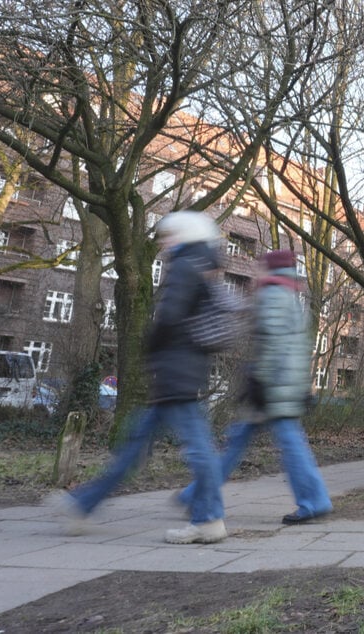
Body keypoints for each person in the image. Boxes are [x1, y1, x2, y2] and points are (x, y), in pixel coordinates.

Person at [48, 210, 227, 544]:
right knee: (134, 448)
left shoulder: (186, 267)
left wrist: (150, 347)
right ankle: (82, 504)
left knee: (197, 451)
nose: (164, 243)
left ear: (186, 236)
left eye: (170, 235)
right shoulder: (204, 269)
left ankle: (209, 519)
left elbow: (170, 317)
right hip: (183, 373)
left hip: (176, 374)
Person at [175, 249, 332, 525]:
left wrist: (260, 382)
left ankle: (313, 500)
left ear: (271, 271)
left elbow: (272, 343)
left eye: (261, 267)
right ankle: (196, 494)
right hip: (285, 385)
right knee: (255, 440)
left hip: (272, 386)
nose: (256, 272)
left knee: (254, 443)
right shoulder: (292, 299)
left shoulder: (272, 297)